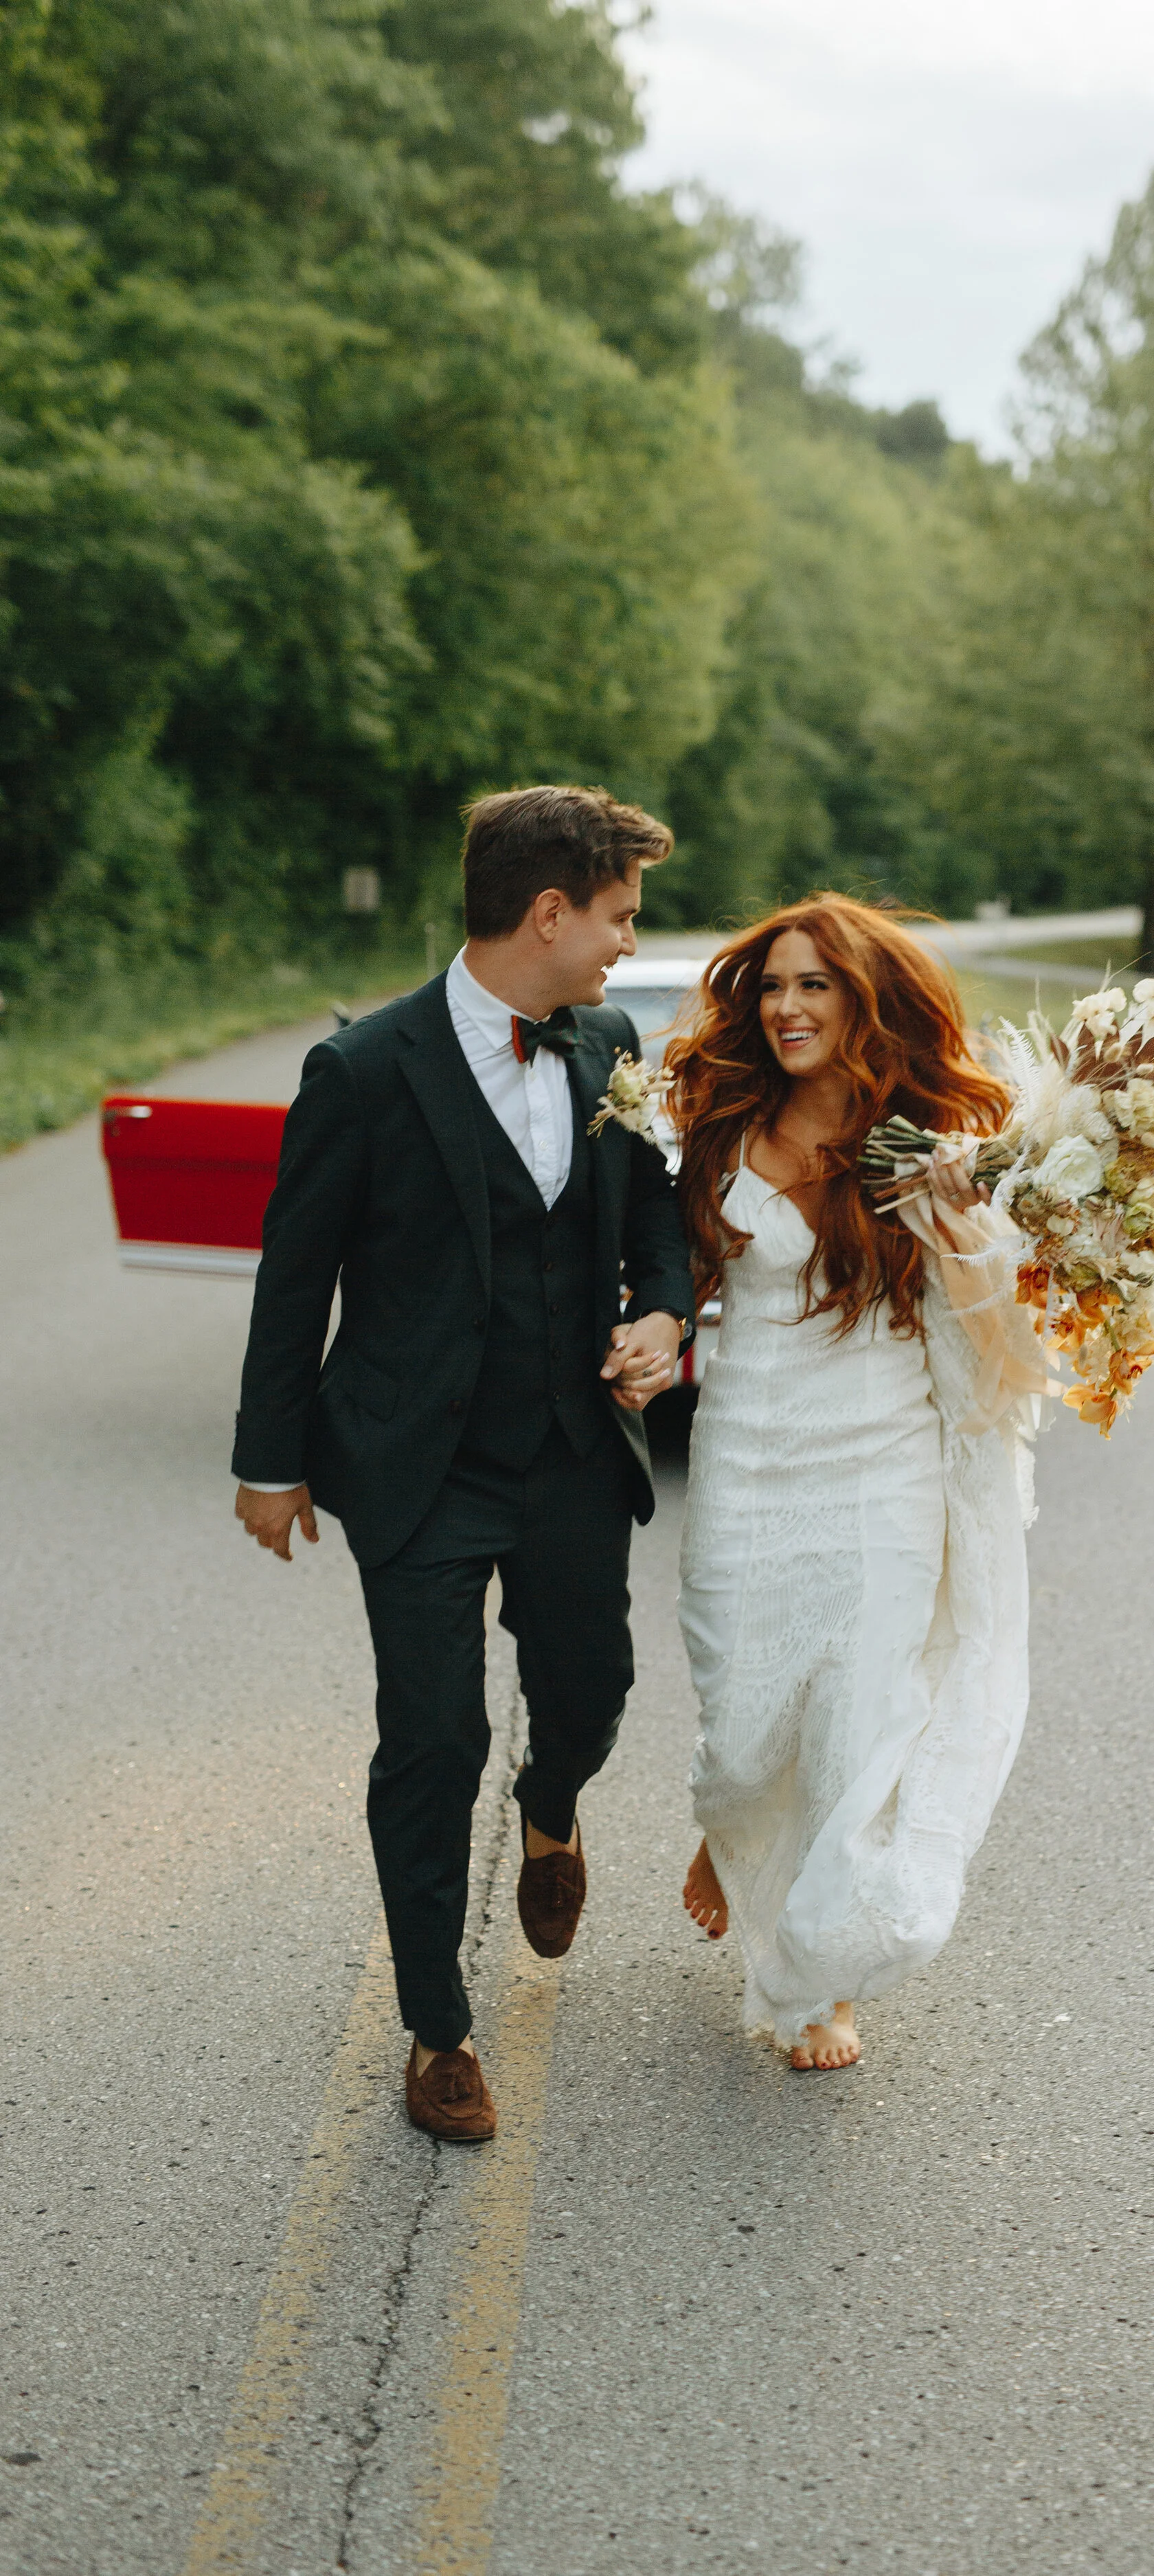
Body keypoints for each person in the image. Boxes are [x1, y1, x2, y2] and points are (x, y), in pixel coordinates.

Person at [231, 787, 695, 2141]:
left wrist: (660, 1312)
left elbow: (655, 1210)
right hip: (414, 1464)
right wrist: (271, 1463)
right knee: (432, 1737)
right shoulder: (364, 1071)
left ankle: (551, 1811)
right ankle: (438, 2028)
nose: (623, 946)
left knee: (592, 1689)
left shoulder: (605, 1041)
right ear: (546, 912)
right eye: (617, 919)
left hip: (565, 1450)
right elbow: (292, 1278)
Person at [668, 896, 1039, 2070]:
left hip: (883, 1462)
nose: (785, 1006)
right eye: (773, 984)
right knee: (740, 1731)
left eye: (813, 985)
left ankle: (814, 1985)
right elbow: (664, 1279)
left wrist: (971, 1229)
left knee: (855, 1719)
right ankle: (732, 1826)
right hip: (746, 1453)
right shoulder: (719, 1124)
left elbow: (993, 1331)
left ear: (863, 1001)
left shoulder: (919, 1148)